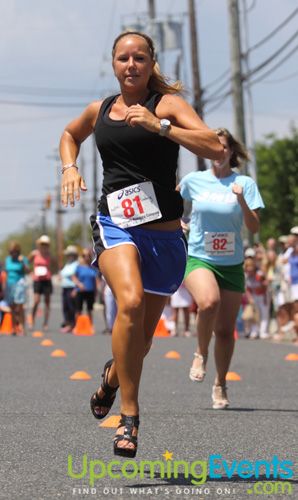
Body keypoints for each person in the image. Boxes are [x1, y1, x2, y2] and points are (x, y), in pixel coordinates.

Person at [59, 30, 223, 456]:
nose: (130, 65)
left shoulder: (166, 105)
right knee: (128, 303)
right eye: (123, 58)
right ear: (112, 64)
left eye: (139, 58)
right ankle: (129, 419)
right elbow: (69, 135)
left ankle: (112, 379)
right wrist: (69, 168)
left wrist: (161, 127)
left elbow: (214, 145)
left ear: (151, 64)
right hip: (116, 223)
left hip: (164, 235)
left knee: (141, 343)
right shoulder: (100, 111)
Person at [179, 127, 264, 409]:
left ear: (231, 152)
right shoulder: (193, 181)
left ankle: (220, 384)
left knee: (226, 332)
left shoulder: (245, 183)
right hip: (199, 257)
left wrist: (240, 199)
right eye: (213, 147)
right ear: (206, 150)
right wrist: (178, 222)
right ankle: (200, 353)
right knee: (208, 302)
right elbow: (173, 204)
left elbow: (254, 227)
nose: (219, 152)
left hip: (231, 263)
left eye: (224, 147)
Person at [4, 241, 30, 335]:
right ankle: (14, 327)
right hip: (9, 284)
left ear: (17, 251)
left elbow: (28, 271)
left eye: (14, 251)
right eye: (11, 252)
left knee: (20, 305)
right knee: (12, 307)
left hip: (20, 282)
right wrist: (4, 287)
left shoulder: (22, 259)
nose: (12, 254)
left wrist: (22, 262)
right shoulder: (8, 259)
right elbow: (5, 273)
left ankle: (22, 327)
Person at [28, 235, 52, 331]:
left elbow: (53, 265)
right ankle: (32, 320)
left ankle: (45, 323)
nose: (44, 246)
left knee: (47, 302)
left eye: (45, 244)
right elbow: (27, 262)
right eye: (42, 244)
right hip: (37, 280)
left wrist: (49, 272)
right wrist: (30, 272)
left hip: (46, 279)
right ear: (39, 245)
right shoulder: (34, 254)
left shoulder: (49, 254)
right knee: (36, 301)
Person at [71, 249, 100, 328]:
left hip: (90, 291)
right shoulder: (79, 267)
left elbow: (96, 280)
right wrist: (78, 284)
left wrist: (97, 291)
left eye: (88, 256)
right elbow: (73, 277)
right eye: (84, 256)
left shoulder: (93, 268)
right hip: (80, 291)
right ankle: (77, 326)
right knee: (78, 309)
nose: (86, 257)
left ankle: (90, 326)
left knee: (89, 309)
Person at [59, 245, 79, 333]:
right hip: (65, 287)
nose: (69, 256)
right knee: (65, 307)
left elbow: (74, 275)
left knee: (72, 307)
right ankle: (67, 323)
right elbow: (63, 273)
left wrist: (76, 288)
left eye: (71, 255)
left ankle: (72, 324)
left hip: (72, 287)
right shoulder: (67, 264)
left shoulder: (76, 264)